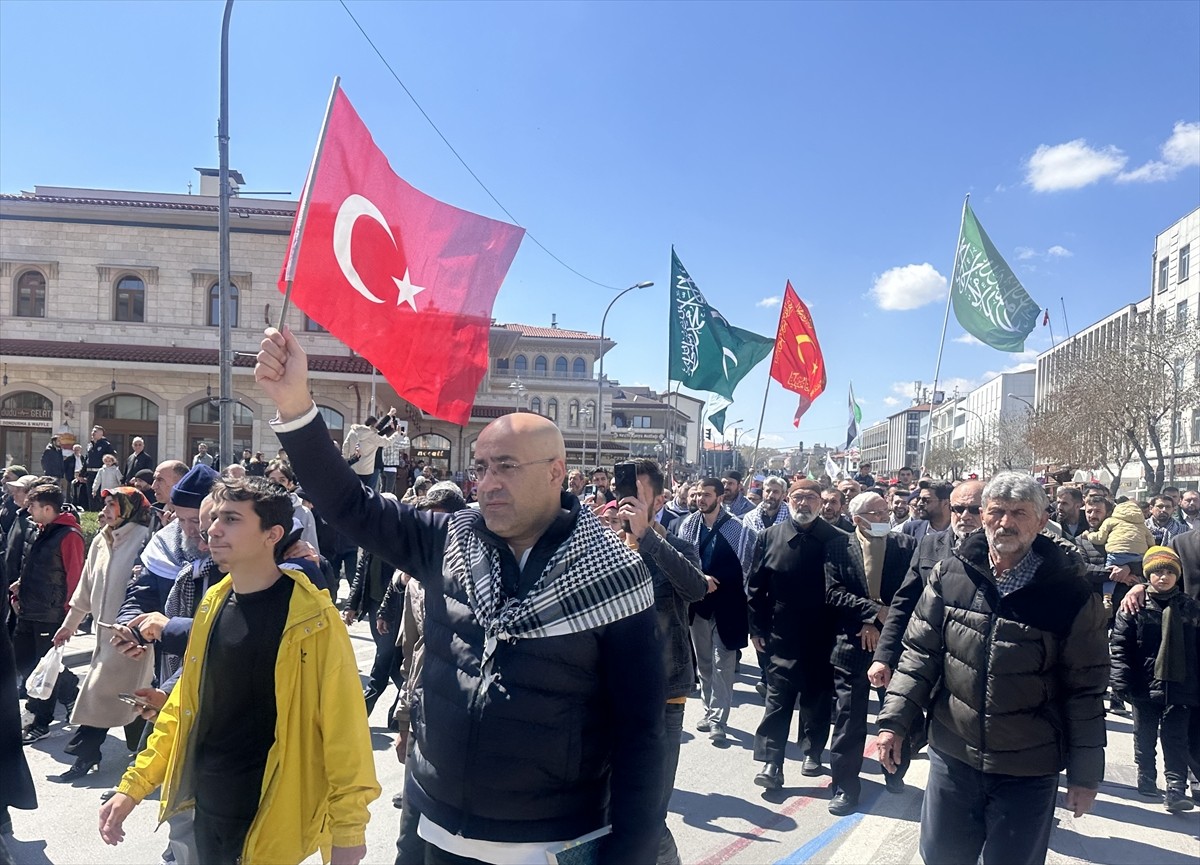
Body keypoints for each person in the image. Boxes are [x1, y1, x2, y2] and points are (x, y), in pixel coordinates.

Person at [255, 325, 665, 864]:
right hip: (434, 825)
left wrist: (629, 857)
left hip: (548, 841)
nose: (487, 482)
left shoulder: (614, 575)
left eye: (507, 467)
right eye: (481, 467)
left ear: (556, 473)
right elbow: (352, 506)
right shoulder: (448, 538)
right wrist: (296, 404)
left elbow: (641, 737)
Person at [99, 477, 380, 865]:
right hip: (204, 807)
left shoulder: (312, 618)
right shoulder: (214, 601)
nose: (212, 529)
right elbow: (186, 709)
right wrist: (133, 786)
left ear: (273, 534)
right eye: (214, 519)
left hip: (270, 816)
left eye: (231, 519)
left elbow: (343, 730)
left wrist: (349, 831)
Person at [876, 472, 1109, 865]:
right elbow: (919, 655)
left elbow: (1085, 688)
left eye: (1020, 512)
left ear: (1041, 521)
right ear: (983, 516)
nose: (1006, 522)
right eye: (998, 511)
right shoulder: (950, 573)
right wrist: (893, 723)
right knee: (942, 858)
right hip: (953, 756)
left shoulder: (1069, 592)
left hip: (1028, 769)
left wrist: (1085, 776)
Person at [614, 459, 705, 865]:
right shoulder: (602, 545)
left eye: (636, 493)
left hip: (663, 694)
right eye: (621, 493)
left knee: (650, 810)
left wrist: (646, 538)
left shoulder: (675, 548)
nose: (625, 502)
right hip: (607, 697)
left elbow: (695, 588)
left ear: (661, 500)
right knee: (608, 807)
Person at [50, 487, 154, 780]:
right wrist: (70, 624)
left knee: (101, 693)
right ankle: (141, 750)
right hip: (102, 634)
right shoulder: (101, 540)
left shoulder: (144, 539)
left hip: (133, 636)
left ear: (129, 508)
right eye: (105, 504)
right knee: (130, 697)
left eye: (113, 505)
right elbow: (85, 588)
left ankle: (85, 754)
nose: (106, 510)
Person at [821, 493, 915, 811]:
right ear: (858, 518)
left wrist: (886, 623)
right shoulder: (837, 547)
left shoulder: (905, 546)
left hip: (894, 650)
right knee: (849, 721)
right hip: (851, 644)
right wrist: (872, 615)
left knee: (896, 716)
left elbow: (910, 591)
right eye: (876, 513)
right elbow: (833, 593)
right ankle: (845, 786)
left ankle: (894, 769)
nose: (884, 517)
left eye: (885, 511)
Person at [749, 480, 843, 788]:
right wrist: (757, 628)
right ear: (789, 500)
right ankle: (771, 764)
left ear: (820, 502)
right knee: (777, 699)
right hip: (781, 634)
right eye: (798, 497)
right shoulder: (769, 537)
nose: (804, 503)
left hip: (823, 634)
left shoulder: (838, 539)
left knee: (817, 697)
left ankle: (812, 751)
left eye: (811, 498)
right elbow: (755, 588)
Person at [1110, 546, 1199, 811]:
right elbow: (1120, 644)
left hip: (1180, 685)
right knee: (1144, 734)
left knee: (1176, 737)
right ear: (1148, 575)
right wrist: (1120, 681)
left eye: (1169, 572)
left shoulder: (1189, 607)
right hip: (1143, 683)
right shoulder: (1134, 605)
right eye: (1158, 572)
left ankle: (1175, 788)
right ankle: (1146, 775)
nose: (1163, 577)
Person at [677, 477, 755, 745]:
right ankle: (710, 711)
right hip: (699, 605)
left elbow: (749, 566)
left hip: (729, 607)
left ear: (720, 498)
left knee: (724, 663)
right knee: (706, 664)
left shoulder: (738, 529)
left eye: (707, 495)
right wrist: (699, 578)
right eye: (698, 494)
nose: (701, 499)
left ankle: (719, 721)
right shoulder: (689, 526)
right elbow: (682, 562)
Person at [12, 483, 84, 744]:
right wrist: (20, 586)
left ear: (48, 508)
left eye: (32, 505)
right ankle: (69, 687)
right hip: (29, 609)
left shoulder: (69, 535)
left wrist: (70, 616)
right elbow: (35, 566)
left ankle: (40, 722)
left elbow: (76, 577)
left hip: (51, 613)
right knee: (25, 661)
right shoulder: (40, 529)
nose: (27, 509)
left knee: (43, 670)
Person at [1081, 500, 1155, 609]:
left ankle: (1107, 597)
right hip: (1095, 605)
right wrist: (1116, 574)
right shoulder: (1081, 540)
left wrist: (1129, 568)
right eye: (1089, 511)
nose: (1092, 515)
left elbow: (1150, 563)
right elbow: (1083, 568)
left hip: (1131, 602)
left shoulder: (1114, 524)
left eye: (1098, 511)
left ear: (1108, 513)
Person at [84, 425, 118, 506]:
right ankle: (92, 511)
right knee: (91, 493)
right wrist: (82, 474)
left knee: (100, 494)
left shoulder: (106, 445)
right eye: (92, 431)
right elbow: (86, 460)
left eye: (95, 431)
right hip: (90, 473)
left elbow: (112, 457)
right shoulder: (90, 445)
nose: (93, 433)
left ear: (101, 433)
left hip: (100, 472)